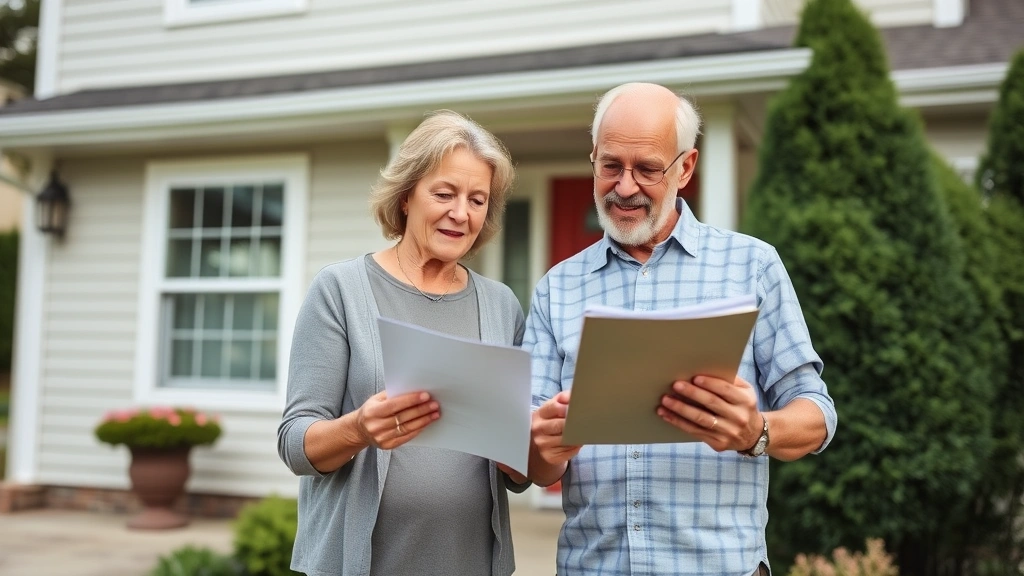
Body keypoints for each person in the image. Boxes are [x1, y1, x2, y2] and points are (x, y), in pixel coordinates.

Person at [525, 83, 838, 576]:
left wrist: (756, 431)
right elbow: (532, 465)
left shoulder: (752, 267)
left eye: (647, 169)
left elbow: (817, 414)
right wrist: (540, 447)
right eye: (610, 165)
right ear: (593, 160)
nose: (624, 187)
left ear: (685, 168)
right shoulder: (555, 289)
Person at [278, 110, 529, 576]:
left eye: (478, 199)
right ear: (407, 195)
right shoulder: (341, 290)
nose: (462, 213)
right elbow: (296, 444)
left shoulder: (501, 306)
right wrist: (358, 429)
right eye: (445, 193)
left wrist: (524, 450)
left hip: (470, 561)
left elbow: (517, 474)